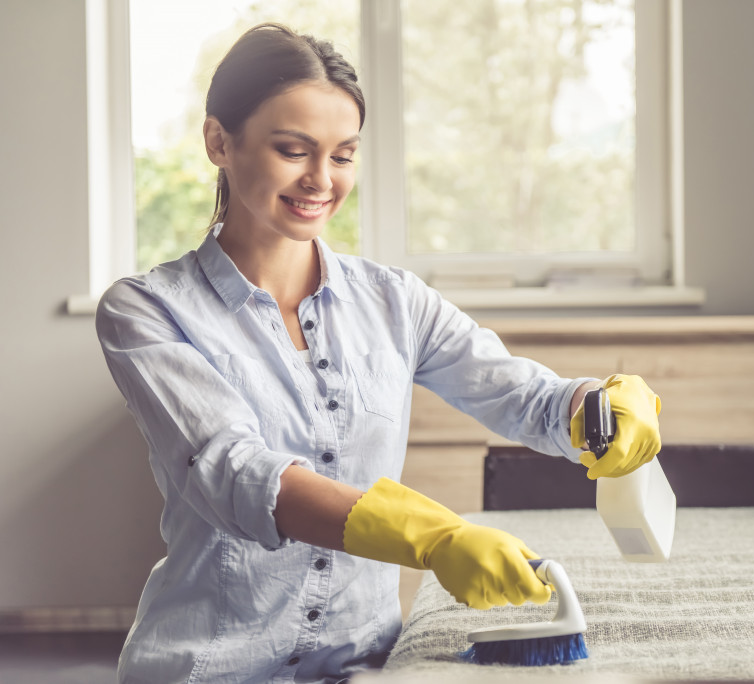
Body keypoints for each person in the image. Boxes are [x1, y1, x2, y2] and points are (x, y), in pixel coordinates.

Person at [96, 23, 662, 684]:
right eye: (292, 149)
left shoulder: (395, 302)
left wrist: (595, 406)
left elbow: (517, 394)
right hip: (212, 667)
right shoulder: (147, 311)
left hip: (366, 665)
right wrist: (432, 534)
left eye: (343, 155)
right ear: (219, 140)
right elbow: (236, 472)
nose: (321, 179)